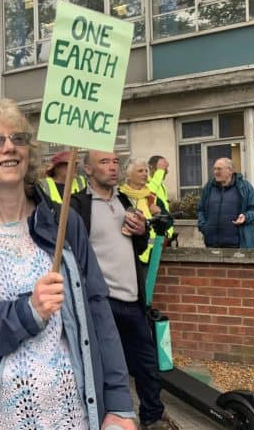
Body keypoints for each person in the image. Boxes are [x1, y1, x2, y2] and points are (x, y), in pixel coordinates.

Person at [0, 98, 136, 430]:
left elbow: (98, 311)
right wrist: (26, 312)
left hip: (71, 414)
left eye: (18, 139)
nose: (9, 147)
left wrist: (119, 404)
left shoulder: (65, 224)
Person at [70, 151, 180, 430]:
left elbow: (138, 247)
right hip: (101, 301)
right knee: (106, 367)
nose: (112, 167)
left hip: (132, 298)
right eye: (104, 162)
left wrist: (142, 231)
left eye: (116, 162)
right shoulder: (78, 206)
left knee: (147, 362)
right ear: (87, 169)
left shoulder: (124, 202)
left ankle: (153, 416)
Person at [198, 157, 254, 248]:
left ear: (230, 171)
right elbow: (201, 209)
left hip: (238, 245)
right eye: (214, 169)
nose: (215, 172)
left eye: (219, 169)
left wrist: (246, 217)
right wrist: (203, 226)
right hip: (212, 244)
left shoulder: (244, 187)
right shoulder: (209, 187)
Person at [119, 159, 171, 263]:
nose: (145, 174)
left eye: (146, 171)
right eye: (140, 171)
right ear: (128, 175)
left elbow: (169, 222)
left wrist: (159, 213)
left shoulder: (152, 198)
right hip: (124, 256)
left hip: (150, 257)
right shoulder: (119, 197)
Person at [146, 155, 176, 245]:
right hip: (154, 240)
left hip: (164, 236)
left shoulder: (160, 185)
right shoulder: (146, 183)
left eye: (165, 169)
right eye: (162, 168)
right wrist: (160, 172)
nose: (165, 171)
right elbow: (149, 194)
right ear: (151, 167)